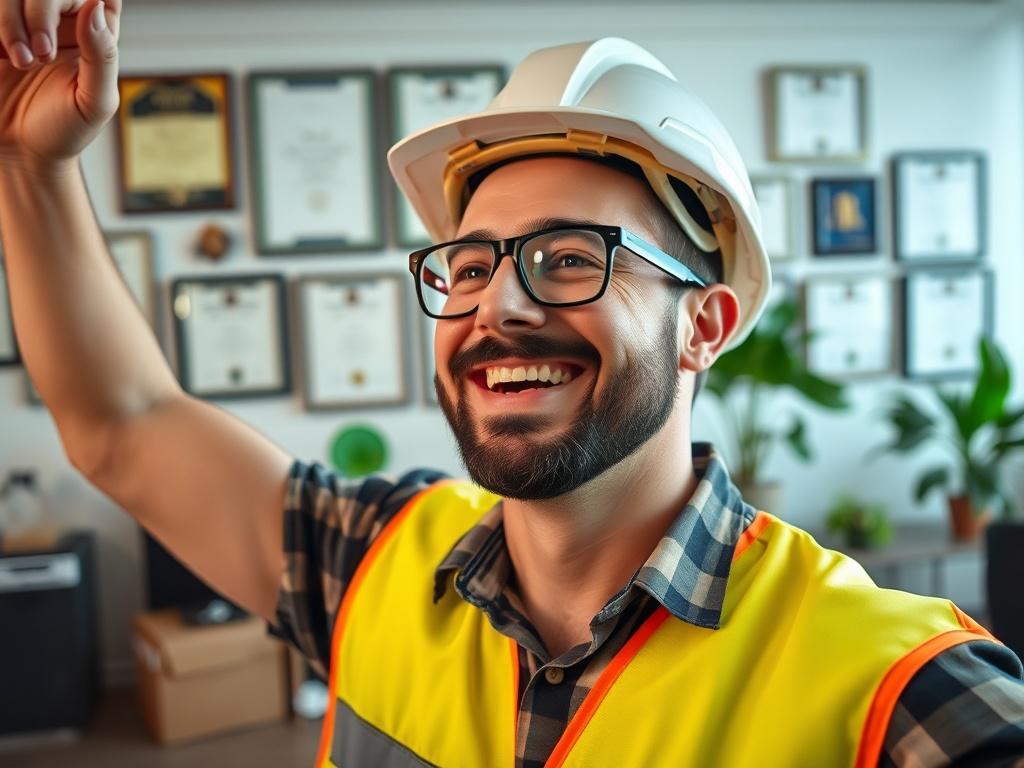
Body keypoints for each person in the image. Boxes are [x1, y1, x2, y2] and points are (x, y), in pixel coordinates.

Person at [1, 3, 1022, 766]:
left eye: (570, 256)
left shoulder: (895, 690)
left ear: (702, 327)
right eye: (471, 264)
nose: (499, 307)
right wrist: (28, 164)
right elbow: (121, 426)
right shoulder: (374, 563)